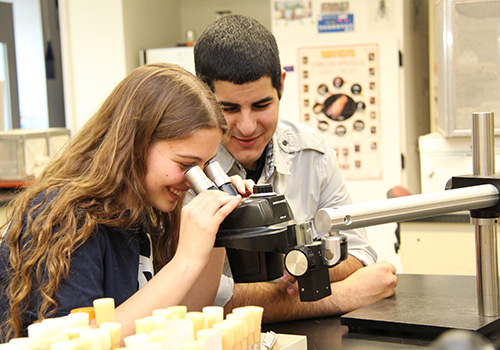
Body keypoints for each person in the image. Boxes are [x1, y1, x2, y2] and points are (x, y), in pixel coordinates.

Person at [0, 63, 253, 342]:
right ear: (135, 143)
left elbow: (183, 316)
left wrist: (220, 227)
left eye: (205, 166)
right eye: (186, 164)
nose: (193, 181)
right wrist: (185, 260)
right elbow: (78, 343)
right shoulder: (64, 218)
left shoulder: (135, 210)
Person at [192, 14, 398, 323]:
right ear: (202, 96)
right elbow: (209, 303)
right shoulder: (187, 171)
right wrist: (342, 294)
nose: (247, 127)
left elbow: (358, 254)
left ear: (282, 86)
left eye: (261, 106)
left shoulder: (311, 153)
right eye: (229, 109)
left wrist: (299, 271)